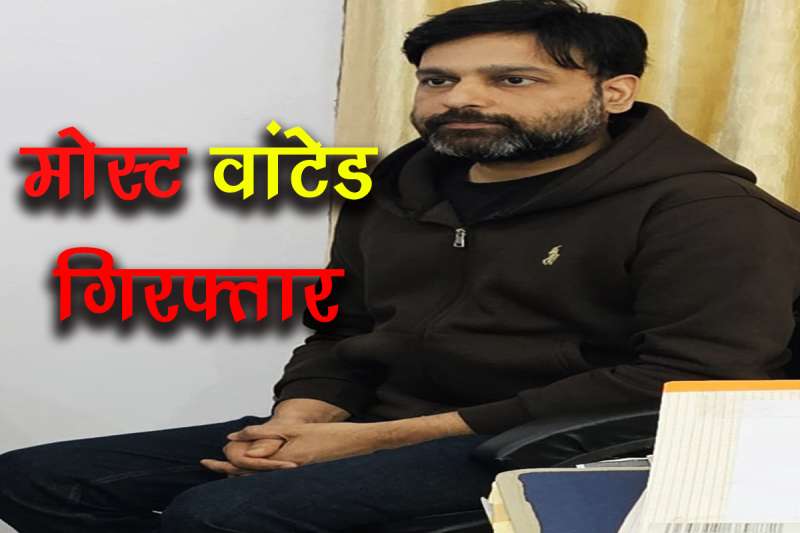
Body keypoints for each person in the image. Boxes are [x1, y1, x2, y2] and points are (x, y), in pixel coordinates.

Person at [2, 0, 799, 531]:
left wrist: (378, 441)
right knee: (37, 479)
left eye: (513, 79)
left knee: (219, 516)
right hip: (383, 419)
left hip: (551, 444)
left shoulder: (704, 210)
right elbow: (343, 325)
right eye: (438, 80)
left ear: (613, 93)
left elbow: (694, 379)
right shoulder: (397, 186)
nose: (461, 99)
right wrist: (303, 418)